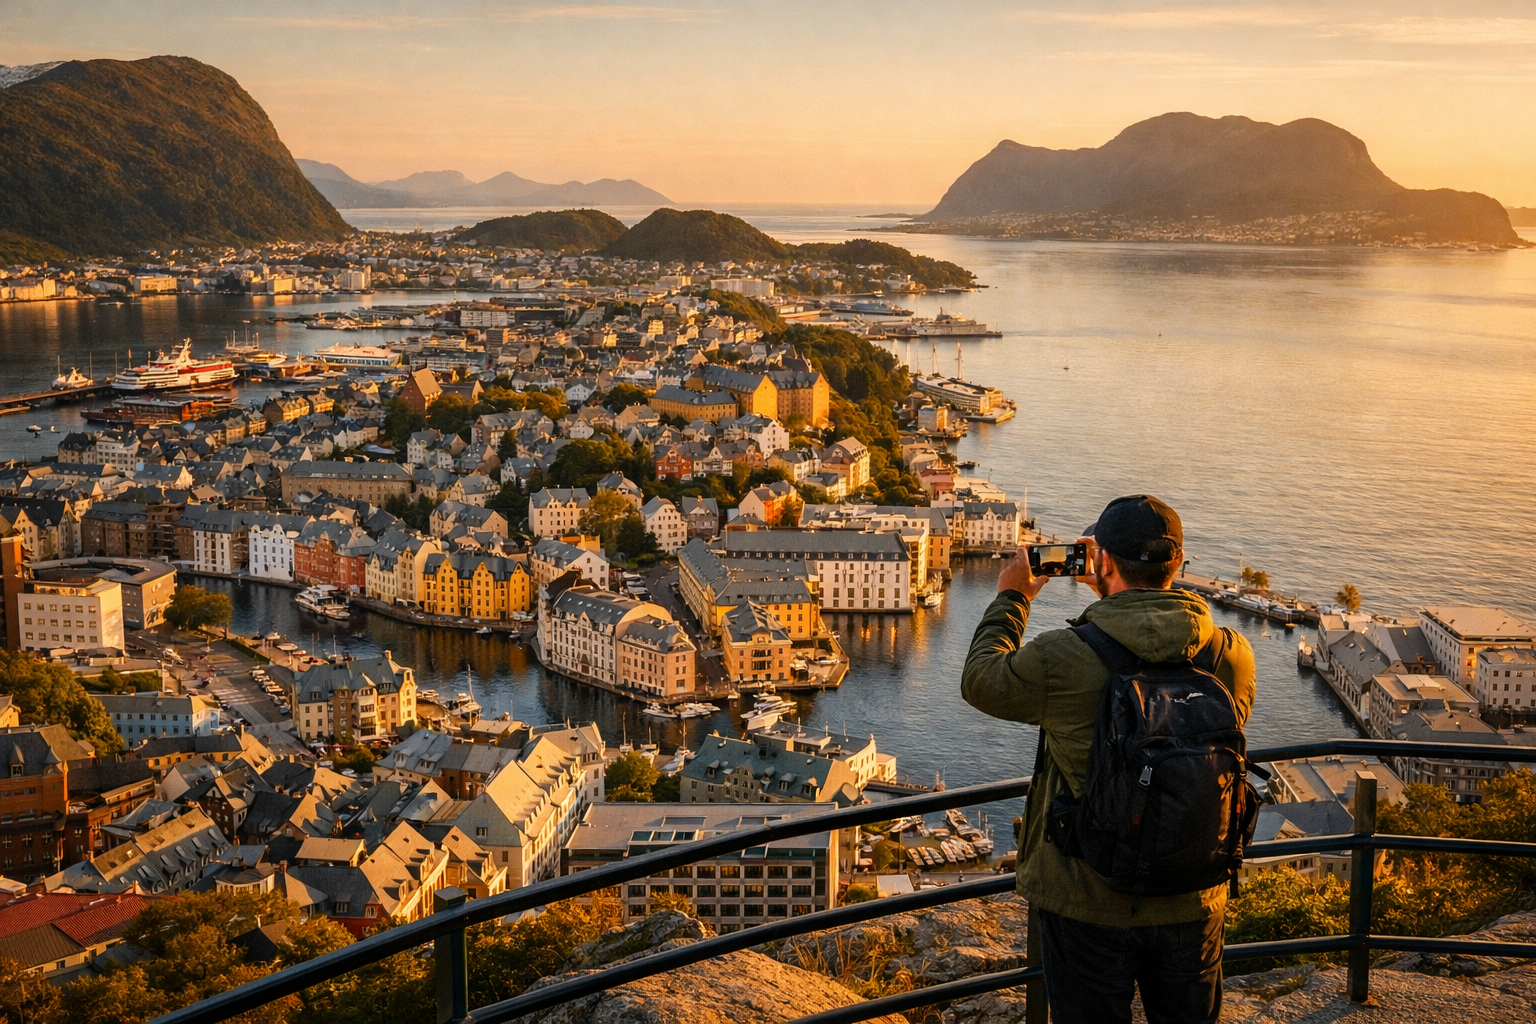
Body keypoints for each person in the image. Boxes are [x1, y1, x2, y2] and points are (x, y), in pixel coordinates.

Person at [961, 495, 1255, 1024]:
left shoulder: (1064, 656)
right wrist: (1117, 591)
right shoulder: (1229, 653)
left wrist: (1013, 596)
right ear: (1179, 565)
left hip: (1085, 896)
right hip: (1194, 893)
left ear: (1104, 562)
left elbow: (981, 680)